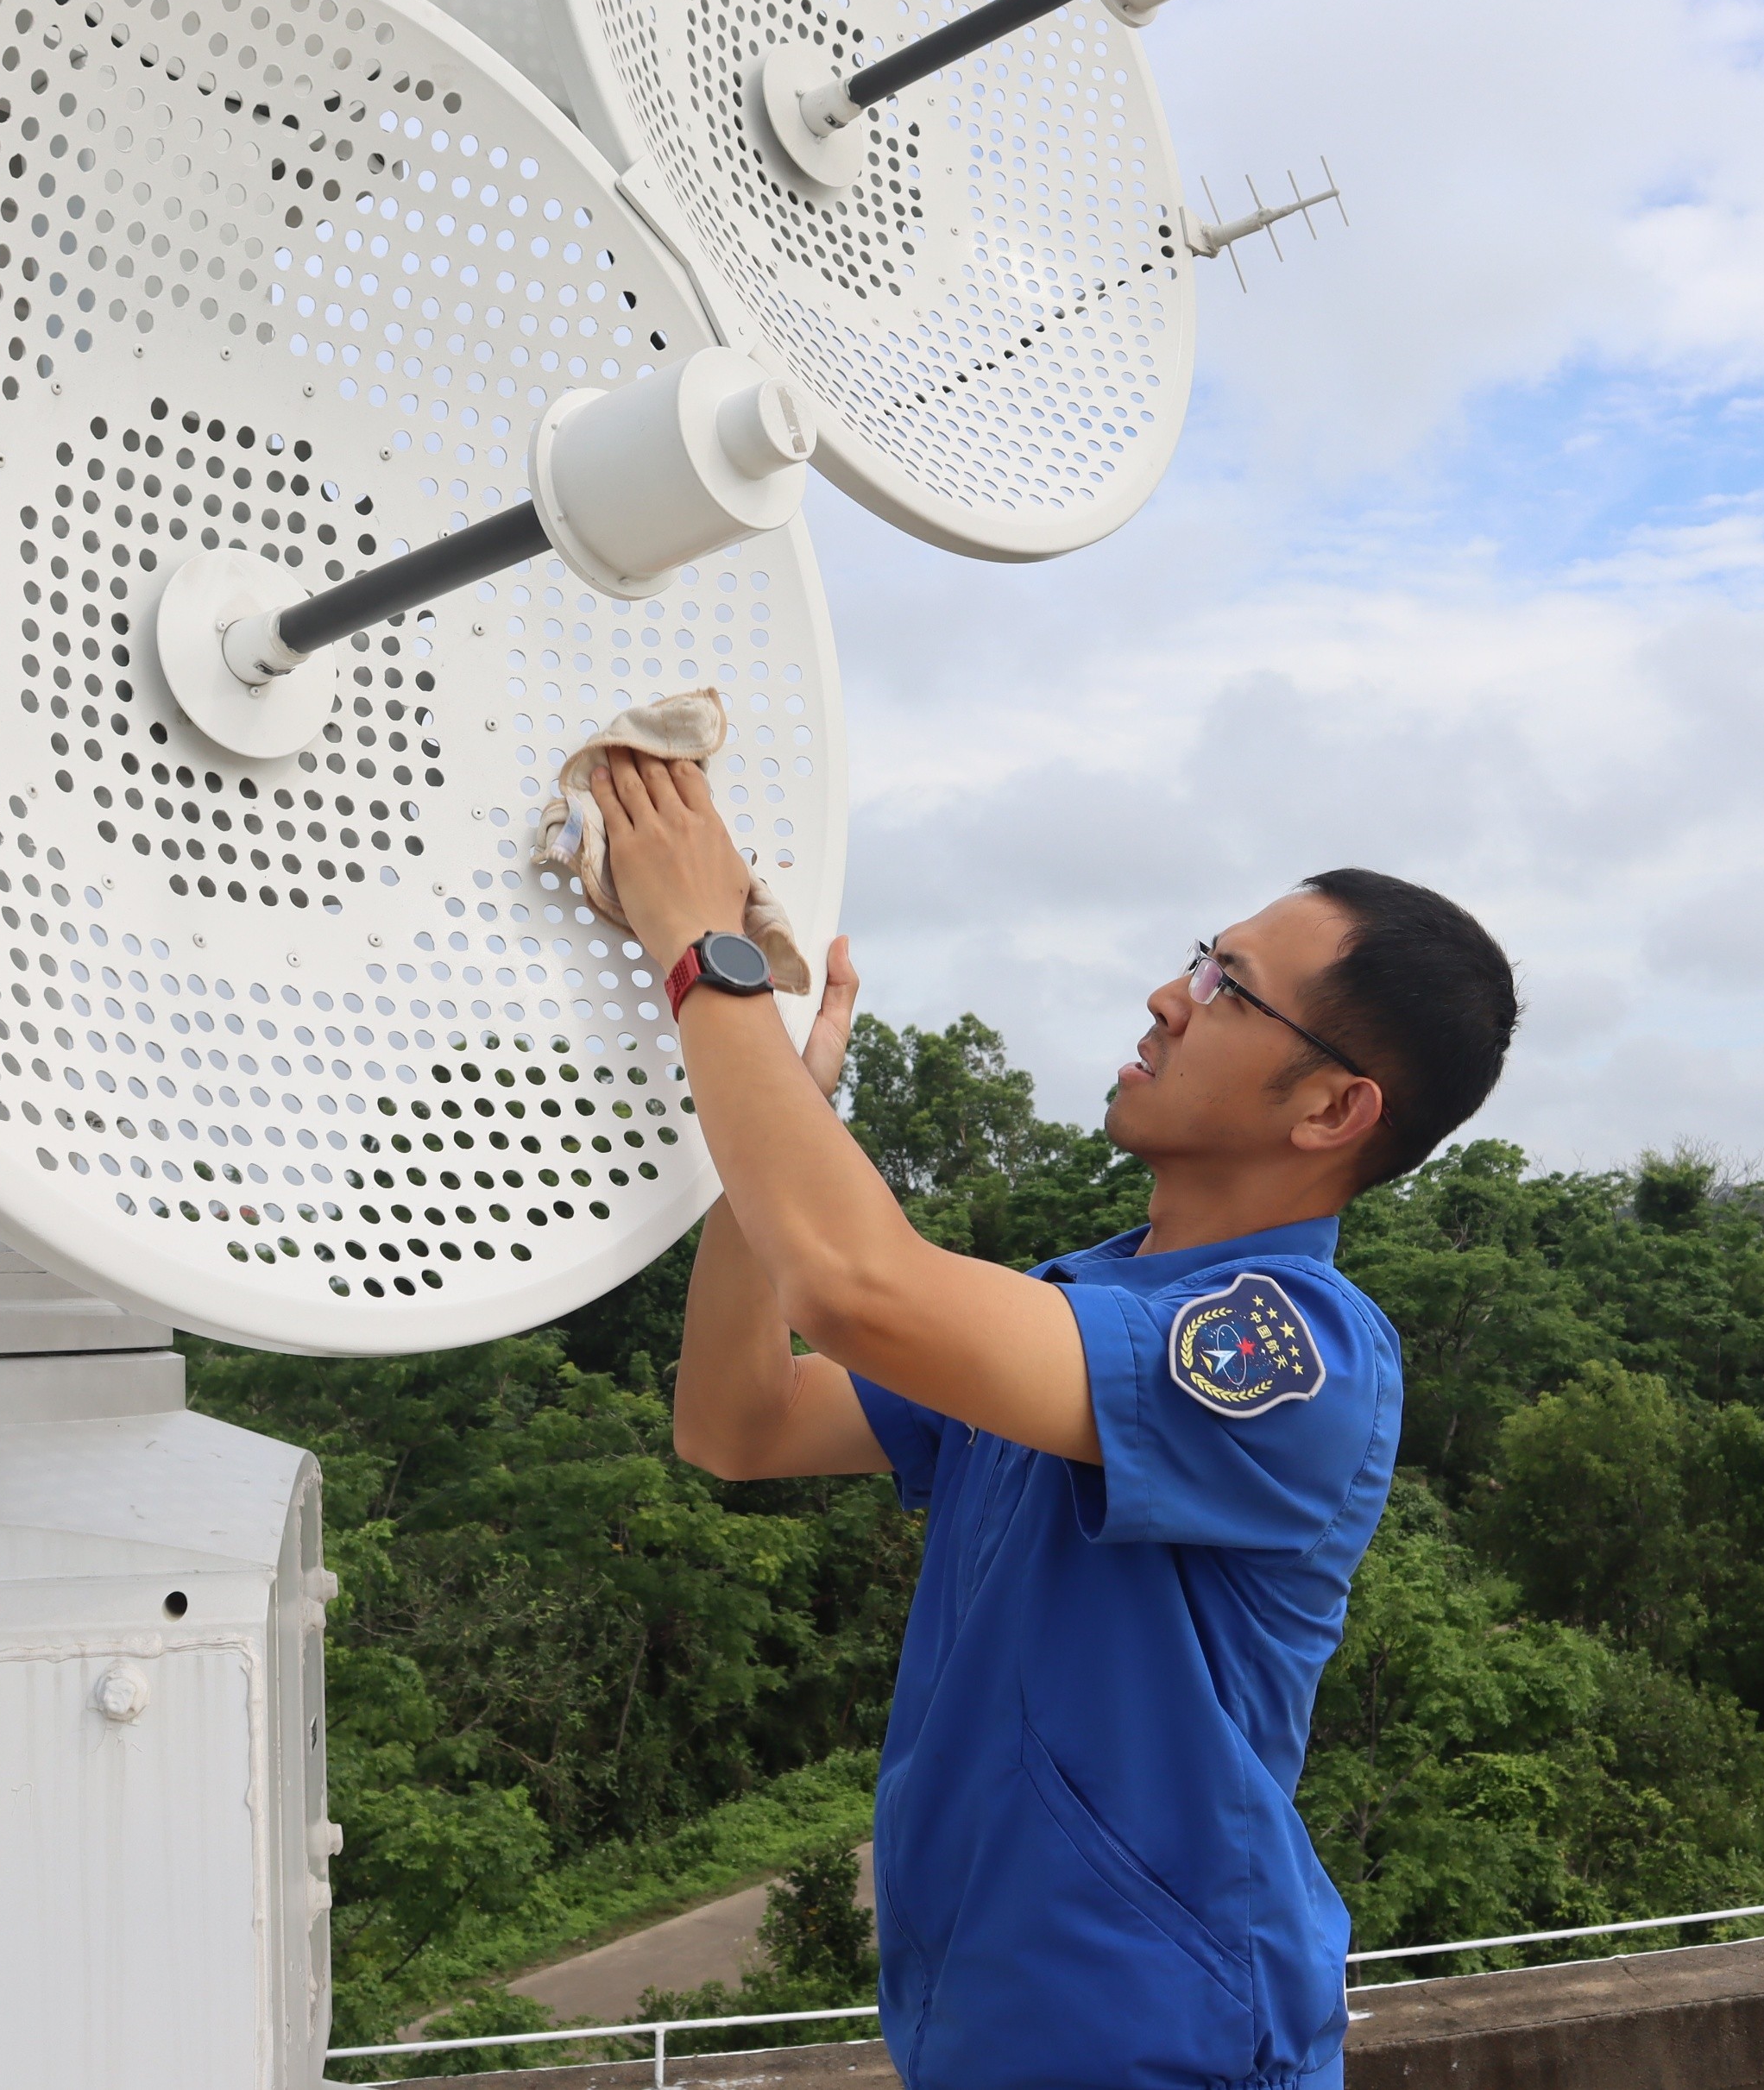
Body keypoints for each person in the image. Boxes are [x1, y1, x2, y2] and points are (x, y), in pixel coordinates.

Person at [583, 750, 1521, 2090]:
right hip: (984, 2038)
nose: (1166, 997)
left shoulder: (1296, 1354)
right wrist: (773, 1110)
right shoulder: (1068, 1318)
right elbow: (742, 1422)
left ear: (1329, 1107)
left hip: (1157, 2049)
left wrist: (700, 951)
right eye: (1199, 958)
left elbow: (858, 1289)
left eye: (1224, 988)